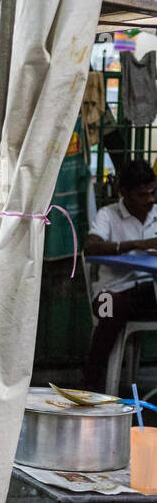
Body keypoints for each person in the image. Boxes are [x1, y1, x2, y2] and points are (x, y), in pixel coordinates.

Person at [82, 159, 157, 391]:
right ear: (124, 193)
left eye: (152, 193)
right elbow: (91, 247)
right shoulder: (108, 215)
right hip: (112, 292)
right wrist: (140, 244)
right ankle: (92, 380)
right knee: (110, 308)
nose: (150, 200)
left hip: (149, 293)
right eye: (142, 195)